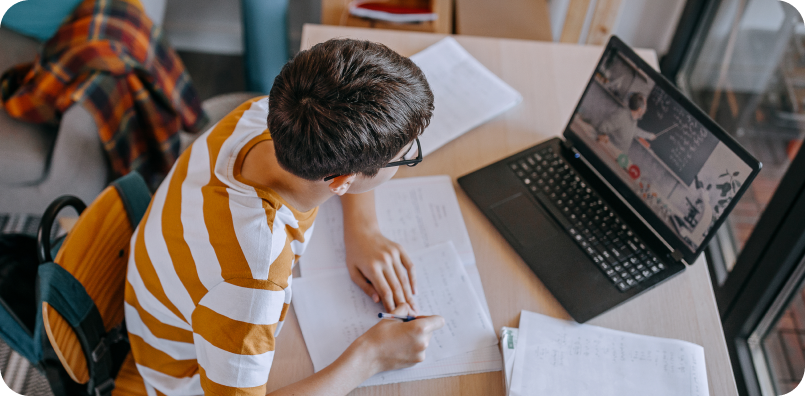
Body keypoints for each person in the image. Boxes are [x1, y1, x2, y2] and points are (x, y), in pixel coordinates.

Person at [124, 39, 444, 396]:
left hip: (183, 300)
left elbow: (347, 165)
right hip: (187, 375)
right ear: (341, 181)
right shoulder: (252, 281)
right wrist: (370, 357)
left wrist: (362, 229)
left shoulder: (265, 115)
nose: (411, 156)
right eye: (406, 156)